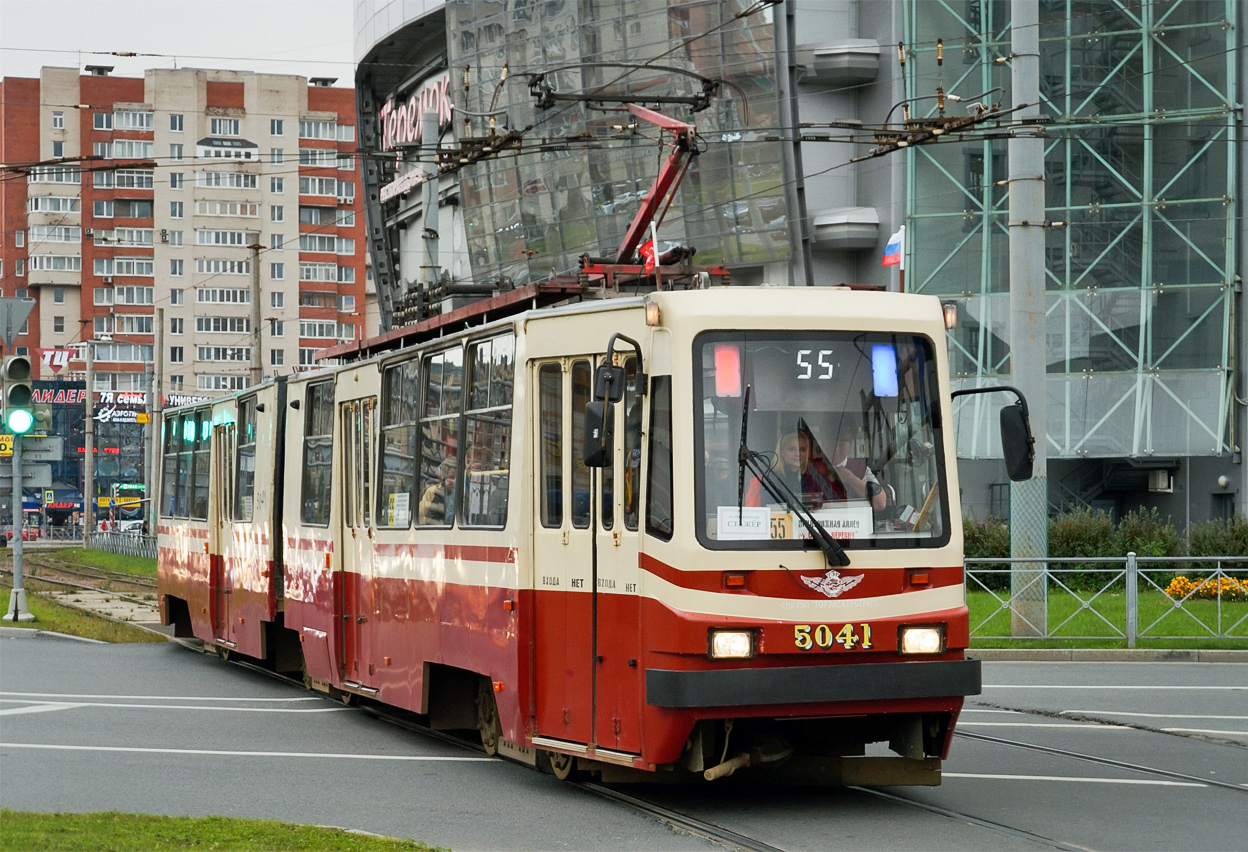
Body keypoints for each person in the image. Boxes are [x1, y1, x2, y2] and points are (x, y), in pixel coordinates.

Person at [744, 430, 837, 507]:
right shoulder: (770, 480)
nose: (798, 454)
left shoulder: (815, 478)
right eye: (792, 449)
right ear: (782, 452)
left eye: (802, 449)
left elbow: (831, 505)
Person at [826, 427, 888, 512]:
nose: (836, 450)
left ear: (850, 446)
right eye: (831, 444)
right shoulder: (813, 469)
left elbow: (880, 503)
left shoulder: (861, 469)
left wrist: (851, 478)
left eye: (842, 444)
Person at [419, 457, 457, 525]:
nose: (448, 482)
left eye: (452, 478)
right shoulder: (433, 492)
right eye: (446, 478)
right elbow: (421, 516)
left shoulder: (463, 493)